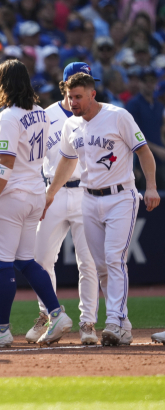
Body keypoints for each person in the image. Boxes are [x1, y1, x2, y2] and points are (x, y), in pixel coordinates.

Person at [45, 72, 160, 346]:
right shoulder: (71, 125)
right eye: (70, 97)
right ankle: (123, 323)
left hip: (120, 196)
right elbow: (66, 163)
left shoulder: (117, 116)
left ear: (92, 94)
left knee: (113, 258)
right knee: (100, 265)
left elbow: (143, 151)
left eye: (78, 97)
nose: (73, 102)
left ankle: (114, 321)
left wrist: (152, 186)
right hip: (89, 197)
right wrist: (50, 194)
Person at [0, 59, 73, 348]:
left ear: (3, 84)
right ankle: (56, 312)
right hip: (35, 192)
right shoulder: (40, 113)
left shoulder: (7, 117)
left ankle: (1, 328)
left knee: (2, 263)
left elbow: (6, 163)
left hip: (11, 195)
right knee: (26, 261)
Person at [26, 63, 103, 346]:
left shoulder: (99, 114)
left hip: (86, 192)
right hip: (53, 192)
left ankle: (88, 322)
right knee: (40, 258)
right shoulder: (45, 117)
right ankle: (48, 314)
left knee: (89, 263)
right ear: (65, 86)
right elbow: (34, 159)